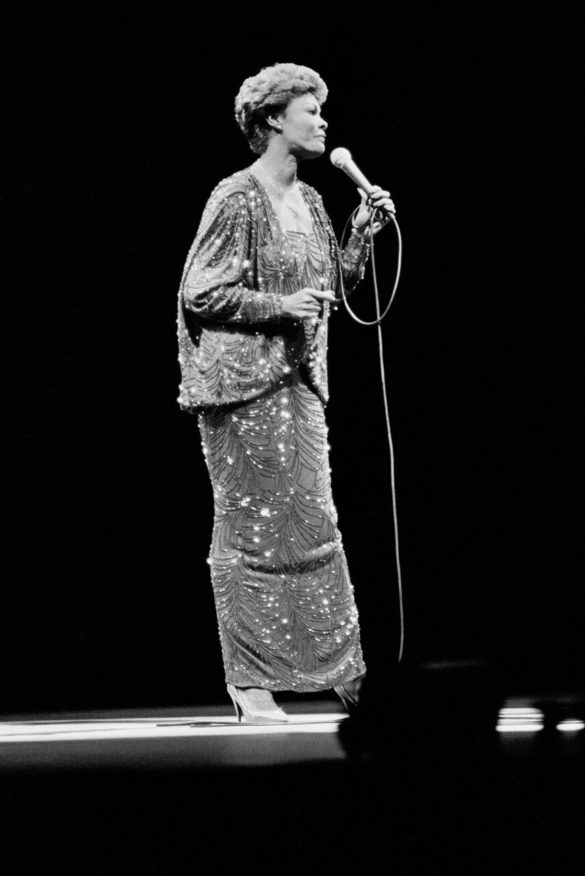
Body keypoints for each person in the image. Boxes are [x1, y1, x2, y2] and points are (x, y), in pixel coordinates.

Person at [176, 63, 395, 723]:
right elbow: (199, 290)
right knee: (248, 533)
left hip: (297, 386)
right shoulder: (236, 197)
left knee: (315, 527)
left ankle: (344, 672)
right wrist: (278, 303)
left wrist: (360, 233)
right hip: (241, 389)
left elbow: (333, 290)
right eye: (310, 110)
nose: (323, 121)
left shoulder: (315, 202)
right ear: (273, 119)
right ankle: (251, 682)